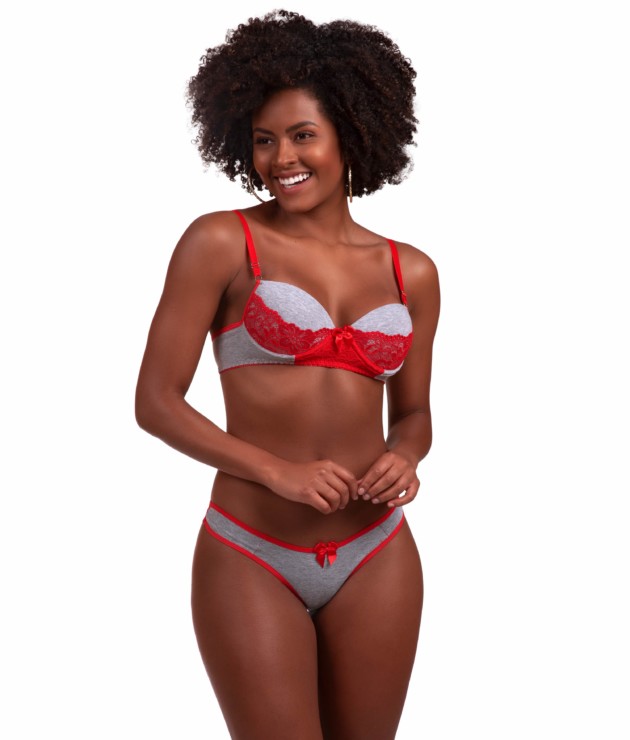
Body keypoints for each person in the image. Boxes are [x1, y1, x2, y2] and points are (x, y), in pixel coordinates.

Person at [135, 9, 440, 739]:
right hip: (251, 548)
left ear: (351, 134)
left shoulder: (412, 271)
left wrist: (406, 455)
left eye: (303, 135)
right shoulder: (221, 241)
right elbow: (155, 401)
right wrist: (277, 472)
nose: (281, 158)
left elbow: (415, 413)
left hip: (376, 549)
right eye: (264, 139)